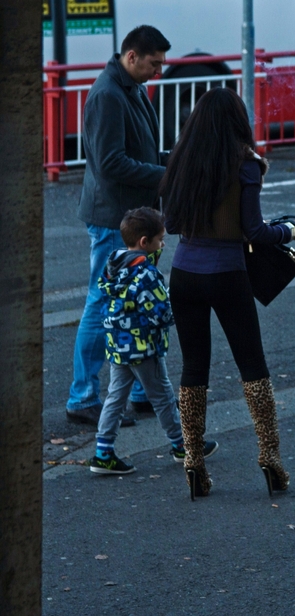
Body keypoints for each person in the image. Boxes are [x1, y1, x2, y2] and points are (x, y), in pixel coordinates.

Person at [159, 87, 295, 500]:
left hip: (184, 273)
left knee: (193, 368)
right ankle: (271, 459)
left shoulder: (181, 162)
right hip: (227, 273)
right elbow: (255, 232)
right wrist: (292, 230)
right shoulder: (246, 166)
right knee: (252, 366)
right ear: (238, 122)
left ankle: (194, 463)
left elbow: (170, 225)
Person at [66, 25, 171, 428]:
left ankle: (143, 392)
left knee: (135, 302)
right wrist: (165, 173)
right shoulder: (108, 94)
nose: (158, 71)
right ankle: (82, 396)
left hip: (131, 217)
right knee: (102, 303)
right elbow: (110, 164)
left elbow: (137, 151)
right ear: (132, 57)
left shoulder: (127, 87)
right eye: (154, 63)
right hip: (115, 219)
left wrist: (171, 162)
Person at [89, 208, 218, 475]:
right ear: (145, 242)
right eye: (160, 239)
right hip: (143, 347)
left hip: (119, 344)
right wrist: (178, 303)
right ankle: (182, 445)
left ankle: (103, 452)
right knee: (163, 396)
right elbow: (162, 314)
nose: (163, 244)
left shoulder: (114, 264)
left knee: (115, 396)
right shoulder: (146, 275)